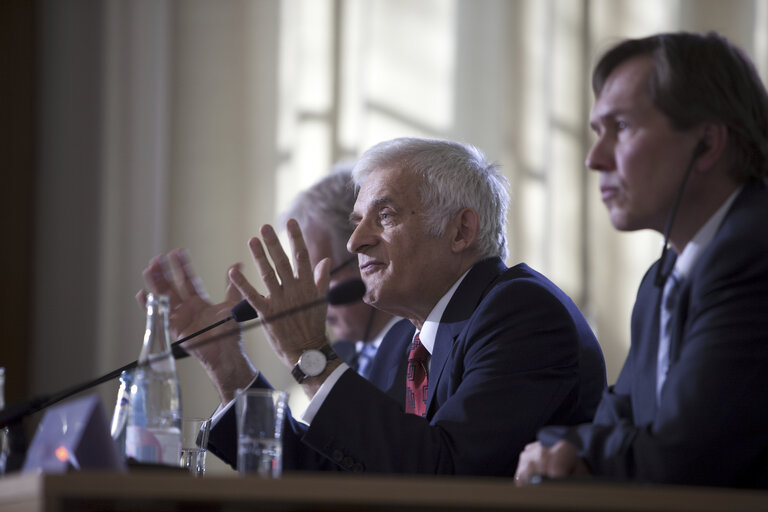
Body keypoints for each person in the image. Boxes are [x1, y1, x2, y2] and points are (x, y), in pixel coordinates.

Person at [141, 137, 606, 475]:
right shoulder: (402, 341)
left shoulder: (522, 314)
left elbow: (445, 477)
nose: (357, 241)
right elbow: (333, 477)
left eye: (384, 216)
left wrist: (311, 355)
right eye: (357, 220)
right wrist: (229, 366)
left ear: (461, 231)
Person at [514, 32, 768, 488]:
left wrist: (578, 451)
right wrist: (569, 448)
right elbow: (611, 424)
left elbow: (687, 457)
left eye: (622, 127)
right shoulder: (661, 279)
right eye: (596, 132)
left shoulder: (753, 251)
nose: (594, 158)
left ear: (707, 144)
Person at [280, 166, 400, 378]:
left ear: (365, 257)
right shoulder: (340, 354)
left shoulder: (420, 352)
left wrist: (305, 353)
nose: (312, 301)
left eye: (321, 279)